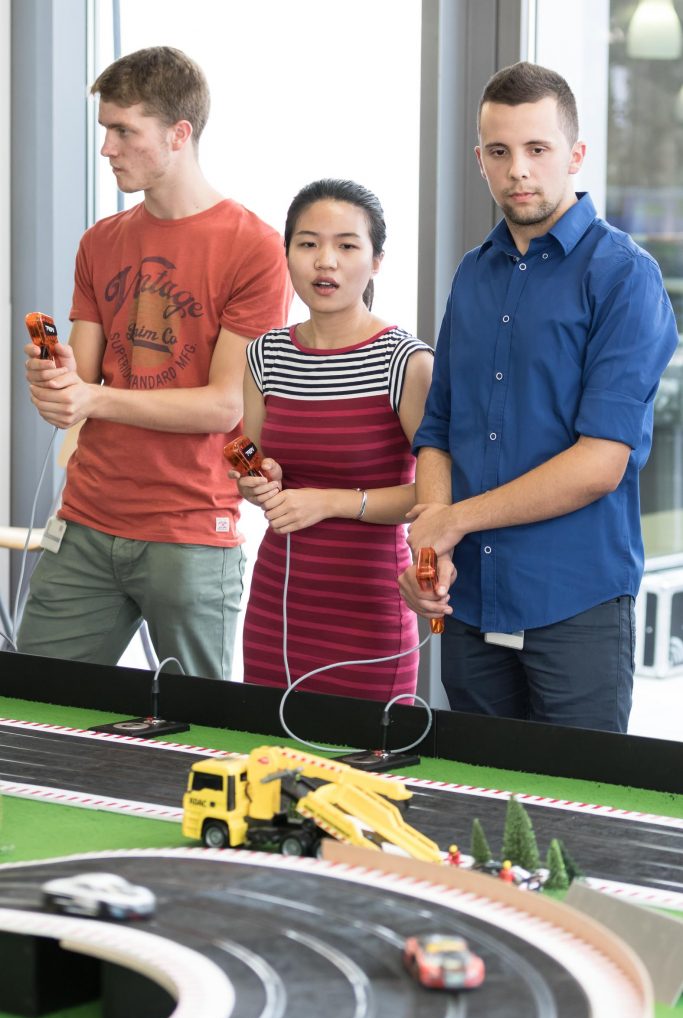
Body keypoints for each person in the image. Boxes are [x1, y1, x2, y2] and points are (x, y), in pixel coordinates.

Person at [399, 62, 679, 732]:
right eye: (499, 152)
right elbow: (438, 426)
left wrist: (454, 521)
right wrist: (431, 550)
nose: (517, 169)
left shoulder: (623, 278)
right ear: (479, 160)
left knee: (571, 824)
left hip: (572, 605)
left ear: (575, 155)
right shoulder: (471, 274)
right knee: (480, 807)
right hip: (469, 602)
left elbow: (599, 463)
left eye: (537, 149)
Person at [18, 47, 292, 679]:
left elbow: (224, 405)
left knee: (196, 734)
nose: (108, 148)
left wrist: (91, 400)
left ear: (178, 134)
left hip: (192, 529)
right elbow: (77, 390)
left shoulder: (254, 248)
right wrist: (55, 383)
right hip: (87, 517)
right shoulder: (100, 242)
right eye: (105, 130)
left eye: (124, 131)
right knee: (33, 709)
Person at [231, 179, 433, 701]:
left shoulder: (406, 362)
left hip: (369, 603)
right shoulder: (265, 355)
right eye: (308, 243)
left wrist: (330, 503)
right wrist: (259, 482)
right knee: (269, 762)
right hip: (280, 598)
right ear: (288, 253)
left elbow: (433, 498)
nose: (326, 261)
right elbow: (249, 466)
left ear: (376, 260)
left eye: (347, 245)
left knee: (365, 772)